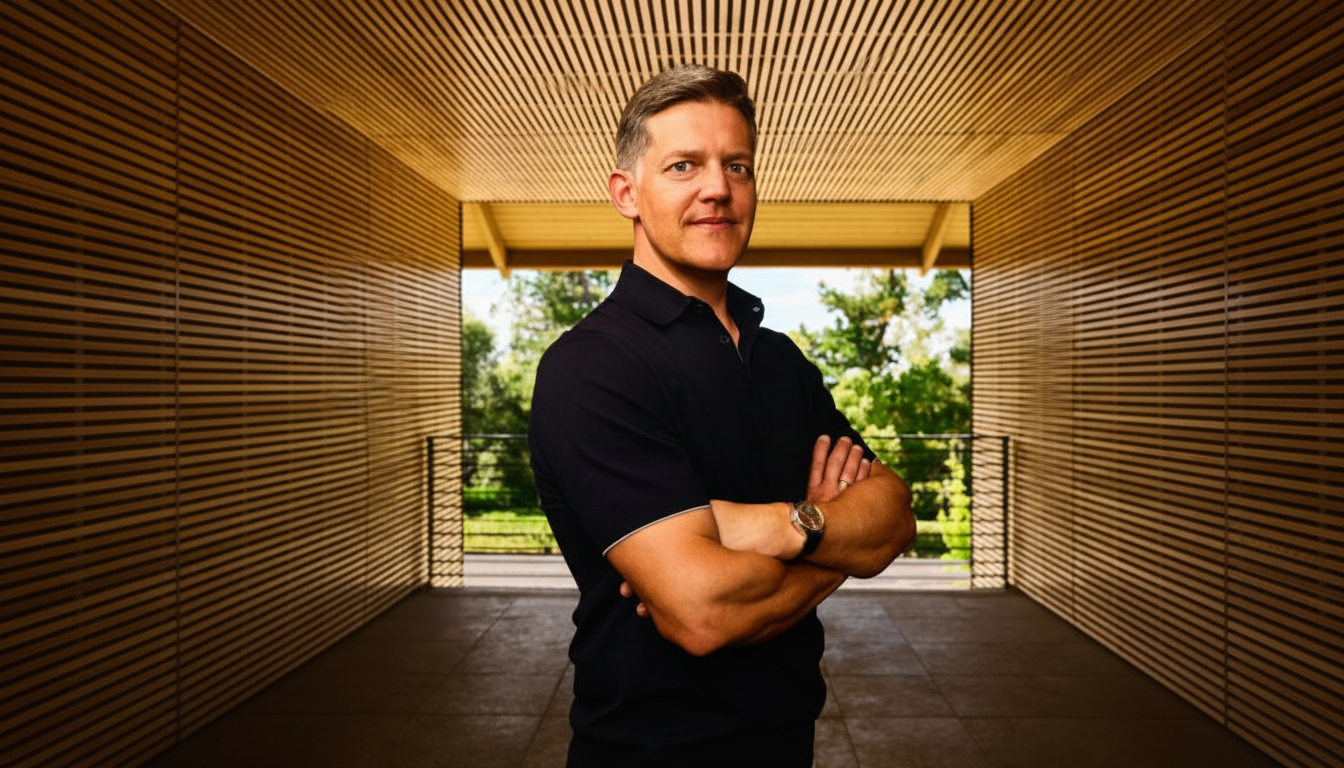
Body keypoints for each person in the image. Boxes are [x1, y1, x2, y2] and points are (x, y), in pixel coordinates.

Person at [528, 64, 915, 767]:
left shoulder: (779, 361)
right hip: (648, 753)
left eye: (737, 165)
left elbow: (892, 517)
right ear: (627, 193)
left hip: (787, 743)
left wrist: (766, 526)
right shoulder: (592, 367)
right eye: (684, 165)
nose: (717, 188)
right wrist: (830, 541)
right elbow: (703, 613)